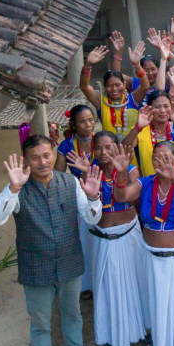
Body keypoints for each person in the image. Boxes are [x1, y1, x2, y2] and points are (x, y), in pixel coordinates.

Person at [0, 136, 103, 346]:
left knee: (72, 314)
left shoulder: (70, 181)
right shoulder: (18, 189)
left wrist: (94, 198)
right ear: (25, 160)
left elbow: (91, 218)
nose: (42, 162)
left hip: (70, 262)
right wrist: (13, 189)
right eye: (35, 157)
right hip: (36, 268)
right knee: (40, 324)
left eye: (46, 155)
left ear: (53, 154)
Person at [110, 140, 174, 346]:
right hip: (153, 256)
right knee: (160, 305)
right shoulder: (144, 183)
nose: (161, 162)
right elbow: (122, 197)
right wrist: (121, 173)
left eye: (166, 157)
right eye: (156, 157)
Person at [87, 131, 145, 346]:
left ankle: (146, 329)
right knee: (109, 288)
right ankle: (113, 336)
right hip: (103, 237)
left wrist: (121, 172)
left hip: (130, 234)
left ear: (117, 147)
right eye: (98, 148)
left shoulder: (131, 170)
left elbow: (134, 198)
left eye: (108, 147)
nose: (103, 153)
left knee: (138, 280)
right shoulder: (90, 172)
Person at [54, 104, 98, 298]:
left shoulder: (100, 141)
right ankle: (86, 285)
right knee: (84, 241)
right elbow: (58, 174)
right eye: (82, 121)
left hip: (102, 195)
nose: (88, 125)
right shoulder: (67, 146)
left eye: (91, 120)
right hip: (80, 199)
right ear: (73, 124)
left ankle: (101, 280)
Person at [80, 43, 149, 140]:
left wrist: (137, 65)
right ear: (104, 87)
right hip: (108, 149)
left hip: (134, 148)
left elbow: (145, 86)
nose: (114, 89)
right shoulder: (100, 101)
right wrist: (88, 64)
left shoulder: (133, 99)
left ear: (124, 84)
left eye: (118, 85)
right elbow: (84, 86)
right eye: (109, 86)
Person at [121, 92, 174, 177]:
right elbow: (123, 150)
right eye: (157, 107)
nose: (162, 110)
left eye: (166, 106)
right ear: (149, 108)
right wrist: (137, 128)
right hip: (149, 184)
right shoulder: (141, 129)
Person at [109, 31, 159, 107]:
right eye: (145, 70)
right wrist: (119, 52)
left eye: (153, 69)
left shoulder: (163, 83)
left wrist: (162, 48)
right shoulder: (134, 83)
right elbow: (116, 76)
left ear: (158, 69)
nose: (150, 73)